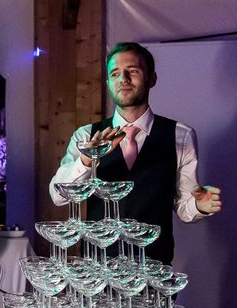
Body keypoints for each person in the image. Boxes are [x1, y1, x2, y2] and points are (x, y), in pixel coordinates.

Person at [49, 42, 222, 265]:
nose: (124, 79)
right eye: (115, 73)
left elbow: (183, 206)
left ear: (152, 79)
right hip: (97, 273)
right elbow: (57, 196)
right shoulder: (85, 136)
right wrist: (86, 160)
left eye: (133, 71)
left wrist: (200, 206)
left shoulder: (181, 135)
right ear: (108, 83)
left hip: (154, 270)